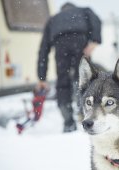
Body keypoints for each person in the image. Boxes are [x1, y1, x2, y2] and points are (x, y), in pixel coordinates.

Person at [36, 2, 101, 132]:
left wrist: (42, 78)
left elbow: (43, 50)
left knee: (62, 82)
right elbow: (96, 20)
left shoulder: (53, 20)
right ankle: (84, 114)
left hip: (61, 45)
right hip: (80, 42)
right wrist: (94, 41)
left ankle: (68, 122)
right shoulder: (84, 10)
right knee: (84, 80)